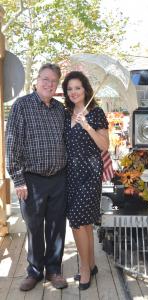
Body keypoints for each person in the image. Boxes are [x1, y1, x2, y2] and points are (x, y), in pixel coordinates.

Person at [6, 63, 68, 291]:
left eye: (54, 81)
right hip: (32, 180)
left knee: (56, 227)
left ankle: (53, 270)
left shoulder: (61, 110)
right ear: (36, 80)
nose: (49, 84)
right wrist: (18, 179)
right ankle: (34, 271)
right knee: (34, 227)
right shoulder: (22, 106)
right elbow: (12, 144)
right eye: (45, 79)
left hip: (59, 178)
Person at [62, 71, 109, 290]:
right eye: (70, 88)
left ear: (85, 89)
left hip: (90, 173)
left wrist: (87, 126)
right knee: (85, 223)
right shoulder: (65, 113)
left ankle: (84, 270)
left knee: (79, 221)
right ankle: (91, 264)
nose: (73, 92)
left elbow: (104, 146)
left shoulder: (96, 113)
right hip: (70, 174)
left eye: (77, 88)